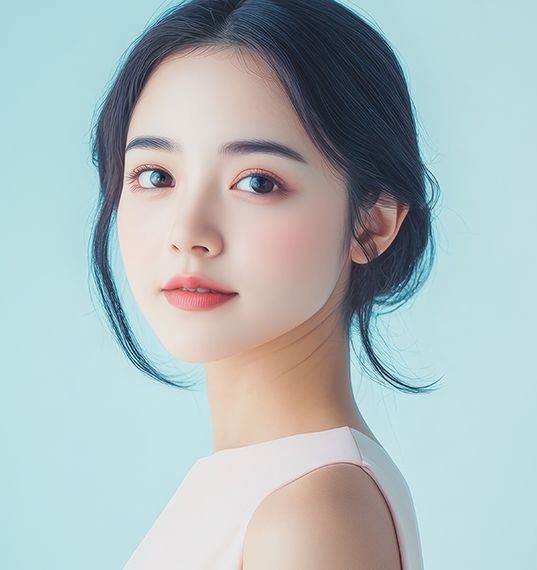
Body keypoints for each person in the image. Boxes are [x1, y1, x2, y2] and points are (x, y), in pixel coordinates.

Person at [87, 0, 442, 567]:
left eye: (256, 182)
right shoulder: (268, 489)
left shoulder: (310, 515)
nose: (189, 233)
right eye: (156, 175)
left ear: (370, 222)